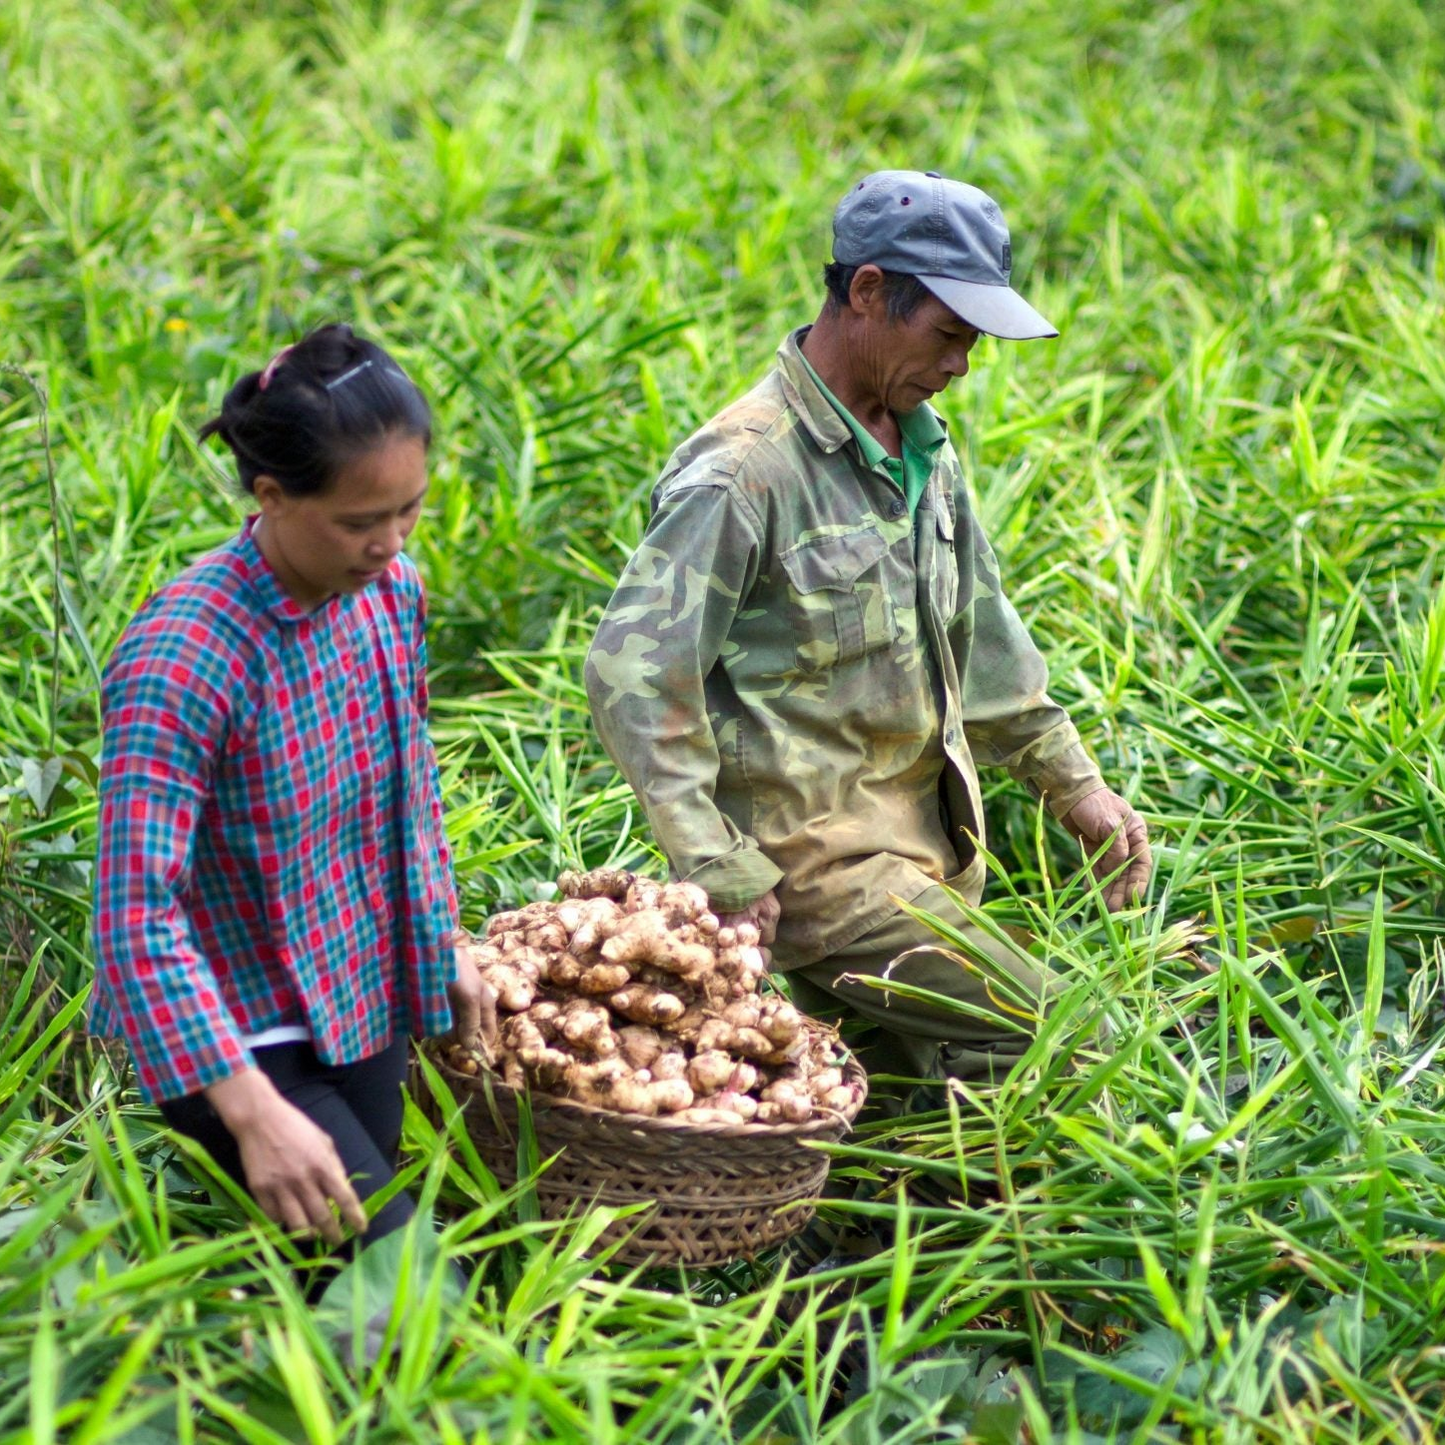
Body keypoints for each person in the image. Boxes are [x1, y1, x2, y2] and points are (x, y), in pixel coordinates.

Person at [584, 171, 1151, 1101]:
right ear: (867, 292)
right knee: (1069, 1037)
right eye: (949, 333)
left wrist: (1074, 785)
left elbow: (984, 639)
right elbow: (634, 679)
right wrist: (719, 865)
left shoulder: (922, 447)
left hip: (925, 859)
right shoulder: (743, 474)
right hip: (820, 879)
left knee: (909, 1129)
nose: (963, 364)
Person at [89, 324, 493, 1268]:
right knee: (401, 1275)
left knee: (326, 1282)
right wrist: (251, 1108)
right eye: (360, 521)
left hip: (359, 994)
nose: (389, 544)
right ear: (270, 495)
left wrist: (443, 944)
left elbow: (410, 787)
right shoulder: (184, 655)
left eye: (411, 511)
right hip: (236, 1033)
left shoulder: (390, 597)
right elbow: (133, 917)